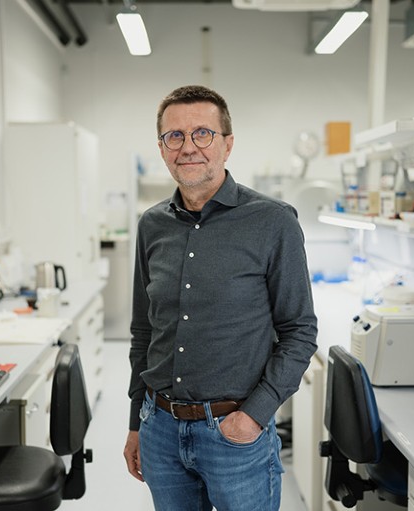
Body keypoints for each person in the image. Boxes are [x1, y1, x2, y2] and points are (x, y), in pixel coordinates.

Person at [123, 84, 318, 511]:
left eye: (202, 134)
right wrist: (137, 423)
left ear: (227, 145)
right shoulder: (151, 225)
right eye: (174, 136)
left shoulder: (272, 222)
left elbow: (299, 331)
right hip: (159, 429)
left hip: (234, 434)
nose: (188, 147)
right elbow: (144, 331)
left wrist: (255, 415)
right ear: (162, 148)